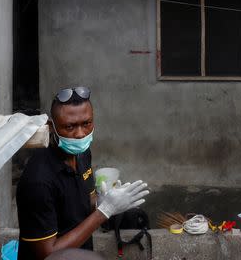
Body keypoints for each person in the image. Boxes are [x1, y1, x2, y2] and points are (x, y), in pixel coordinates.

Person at [16, 87, 150, 260]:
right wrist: (105, 211)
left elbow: (87, 199)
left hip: (79, 251)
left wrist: (105, 200)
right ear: (51, 127)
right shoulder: (38, 181)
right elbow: (48, 255)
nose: (80, 134)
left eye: (86, 124)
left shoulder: (82, 154)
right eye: (69, 126)